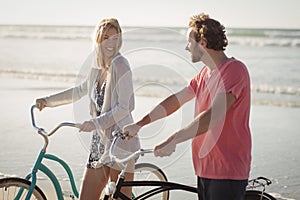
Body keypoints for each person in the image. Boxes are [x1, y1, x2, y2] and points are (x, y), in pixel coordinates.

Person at [124, 13, 251, 200]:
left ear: (204, 43)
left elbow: (212, 117)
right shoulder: (203, 75)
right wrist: (140, 124)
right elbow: (175, 101)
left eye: (189, 42)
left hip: (227, 170)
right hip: (204, 167)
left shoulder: (234, 70)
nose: (186, 47)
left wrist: (174, 139)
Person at [36, 18, 140, 200]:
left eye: (115, 38)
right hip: (98, 143)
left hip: (119, 143)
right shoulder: (97, 67)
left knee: (121, 198)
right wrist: (47, 101)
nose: (111, 43)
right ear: (98, 39)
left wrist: (94, 123)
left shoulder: (121, 64)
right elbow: (79, 91)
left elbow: (125, 107)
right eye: (106, 37)